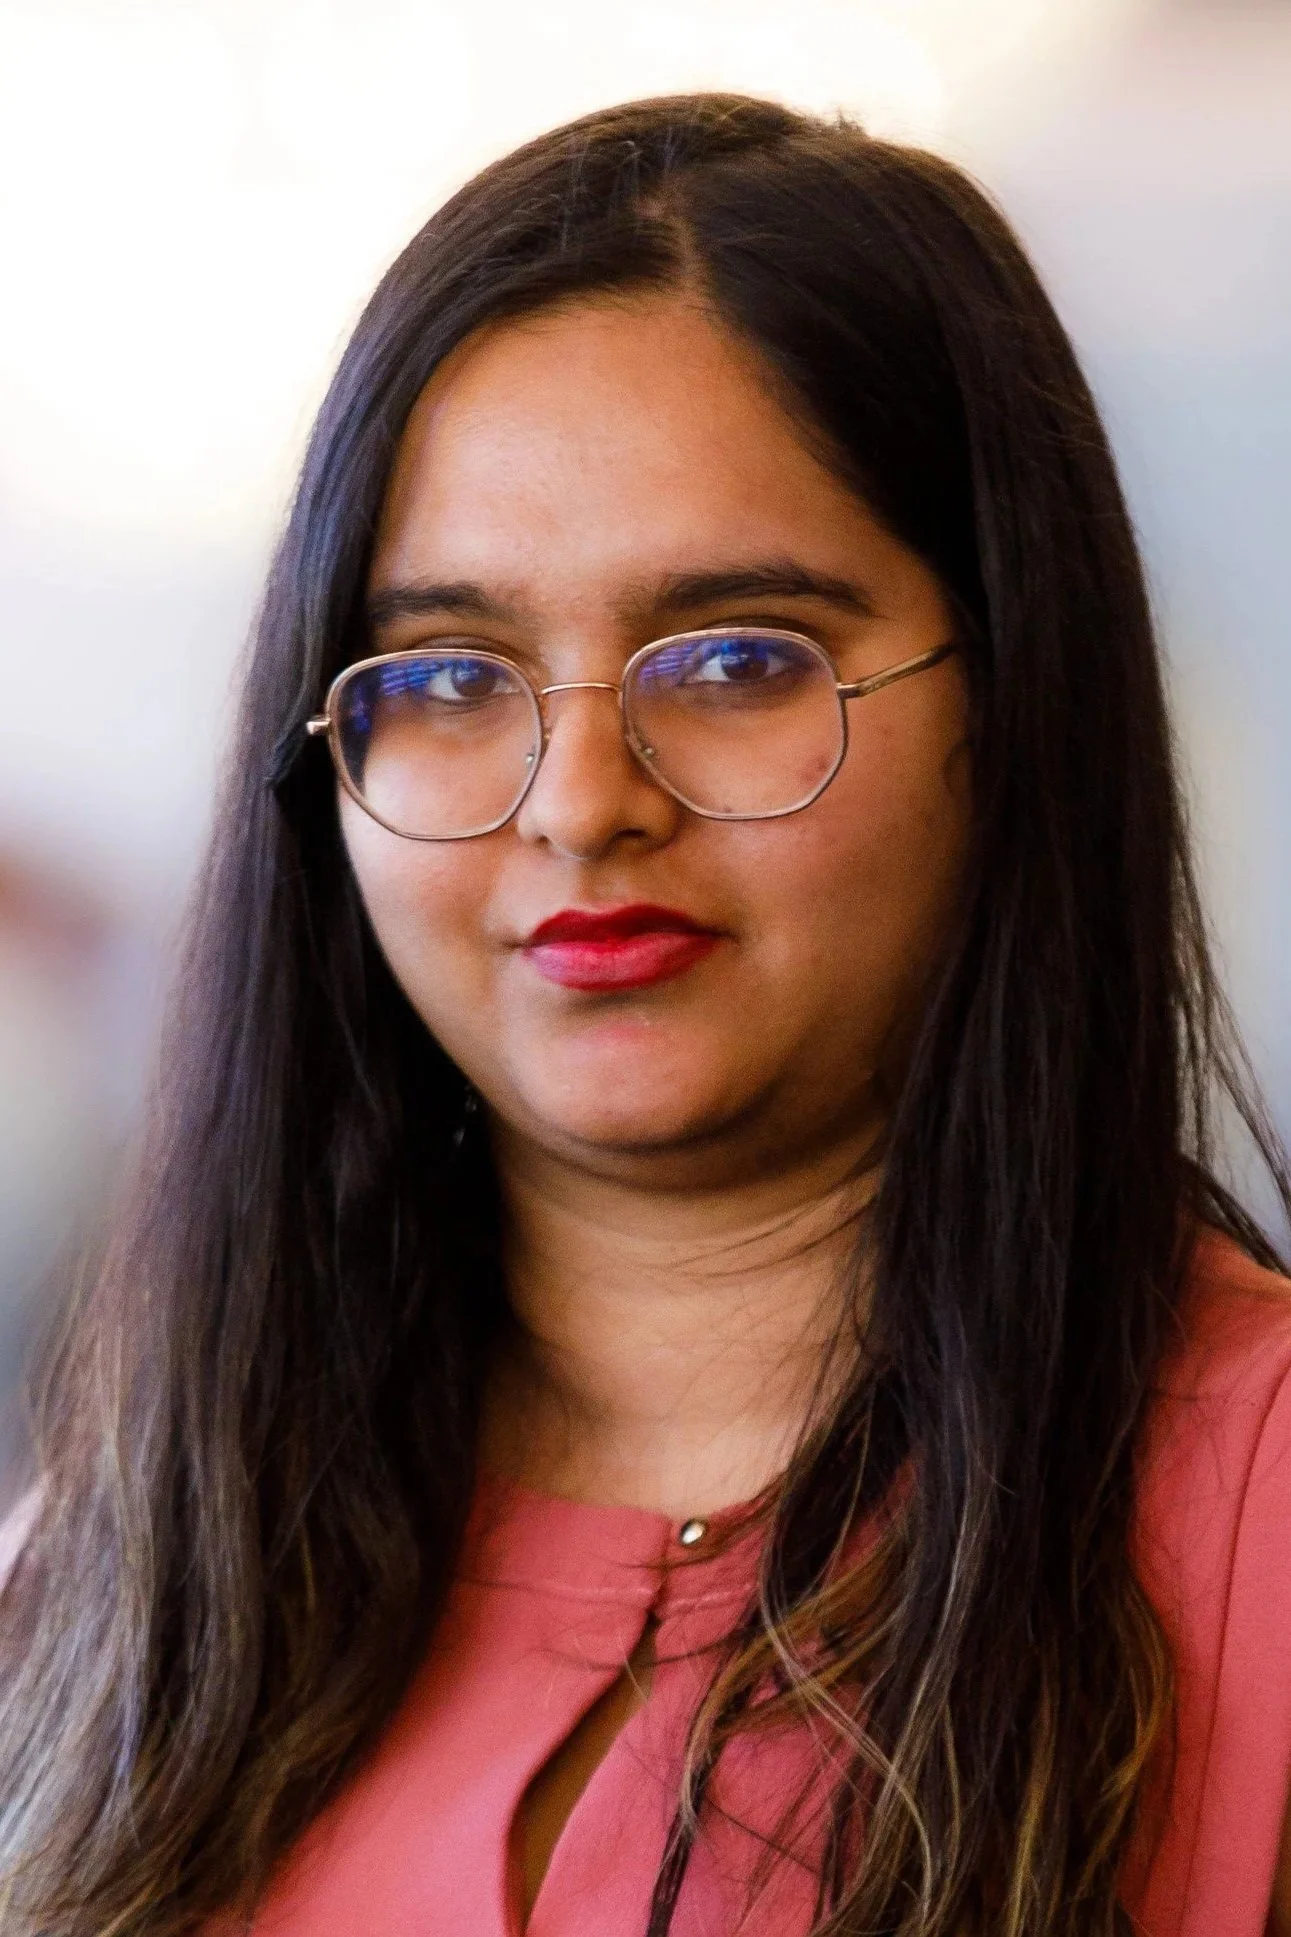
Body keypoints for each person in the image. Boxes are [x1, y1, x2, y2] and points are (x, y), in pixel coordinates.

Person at [1, 92, 1289, 1937]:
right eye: (448, 676)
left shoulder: (1257, 1508)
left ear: (1011, 695)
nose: (580, 801)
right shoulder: (103, 1584)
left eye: (738, 659)